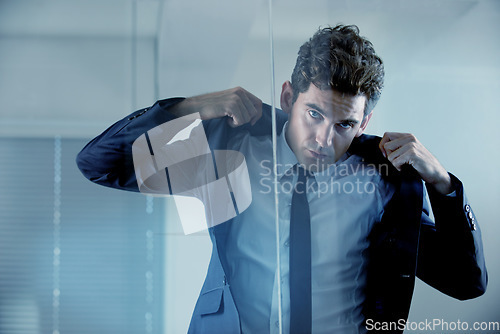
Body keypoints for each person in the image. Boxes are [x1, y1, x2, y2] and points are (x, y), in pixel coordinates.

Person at [77, 25, 487, 333]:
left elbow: (467, 282)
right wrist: (193, 106)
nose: (325, 139)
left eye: (345, 124)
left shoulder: (383, 180)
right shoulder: (231, 146)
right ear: (289, 98)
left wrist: (443, 183)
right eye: (315, 114)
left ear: (365, 122)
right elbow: (101, 163)